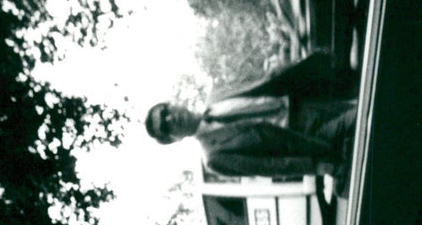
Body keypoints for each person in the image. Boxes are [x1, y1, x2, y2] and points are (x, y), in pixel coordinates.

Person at [145, 50, 356, 189]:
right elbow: (267, 166)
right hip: (303, 138)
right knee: (360, 119)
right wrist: (315, 166)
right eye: (166, 125)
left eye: (166, 111)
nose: (172, 118)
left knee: (361, 105)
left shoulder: (216, 94)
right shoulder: (213, 158)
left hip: (303, 104)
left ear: (173, 104)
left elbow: (261, 82)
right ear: (173, 138)